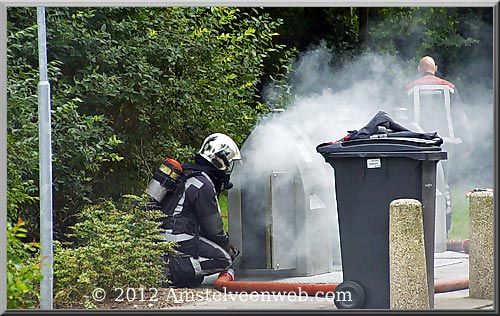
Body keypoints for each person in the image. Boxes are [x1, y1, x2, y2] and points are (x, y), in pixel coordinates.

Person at [162, 133, 241, 287]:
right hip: (178, 238)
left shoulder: (185, 172)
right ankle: (169, 270)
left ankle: (176, 270)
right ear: (220, 160)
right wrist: (227, 247)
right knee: (223, 259)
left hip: (158, 236)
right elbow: (213, 229)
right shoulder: (203, 183)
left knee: (194, 279)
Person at [405, 56, 472, 237]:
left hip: (419, 145)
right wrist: (467, 140)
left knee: (421, 184)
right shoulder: (448, 87)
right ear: (435, 68)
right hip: (445, 144)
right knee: (445, 186)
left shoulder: (411, 89)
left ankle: (423, 225)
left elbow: (403, 118)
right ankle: (445, 225)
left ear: (420, 69)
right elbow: (460, 117)